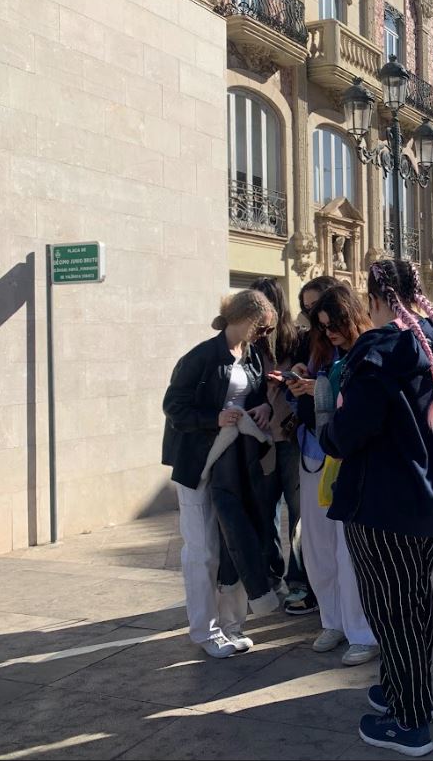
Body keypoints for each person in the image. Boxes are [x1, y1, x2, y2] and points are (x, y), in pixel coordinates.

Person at [316, 260, 433, 757]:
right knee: (411, 601)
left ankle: (410, 719)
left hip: (385, 505)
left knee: (394, 610)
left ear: (375, 299)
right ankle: (407, 692)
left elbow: (348, 431)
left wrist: (326, 429)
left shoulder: (381, 349)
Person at [162, 289, 283, 659]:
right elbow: (173, 406)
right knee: (202, 551)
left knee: (237, 541)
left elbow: (255, 396)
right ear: (244, 318)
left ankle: (232, 625)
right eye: (262, 328)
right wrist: (213, 419)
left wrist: (264, 408)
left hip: (236, 462)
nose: (265, 335)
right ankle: (206, 631)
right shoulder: (200, 357)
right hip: (198, 464)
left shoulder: (251, 356)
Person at [275, 283, 379, 667]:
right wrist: (301, 384)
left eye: (331, 321)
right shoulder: (316, 347)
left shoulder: (369, 349)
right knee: (318, 547)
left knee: (350, 551)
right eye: (317, 320)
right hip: (314, 455)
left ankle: (362, 632)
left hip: (349, 460)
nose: (327, 330)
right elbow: (306, 406)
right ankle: (332, 621)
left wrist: (318, 390)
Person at [278, 275, 338, 616]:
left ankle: (344, 613)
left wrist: (319, 388)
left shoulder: (352, 342)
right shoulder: (311, 341)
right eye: (307, 308)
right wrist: (299, 379)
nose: (313, 315)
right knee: (312, 534)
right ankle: (324, 605)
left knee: (336, 539)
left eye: (317, 306)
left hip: (338, 449)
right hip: (311, 448)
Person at [249, 277, 310, 607]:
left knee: (298, 515)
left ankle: (298, 581)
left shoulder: (298, 341)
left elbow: (309, 380)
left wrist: (289, 380)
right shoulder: (249, 345)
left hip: (292, 438)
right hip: (260, 439)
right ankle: (269, 576)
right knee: (263, 511)